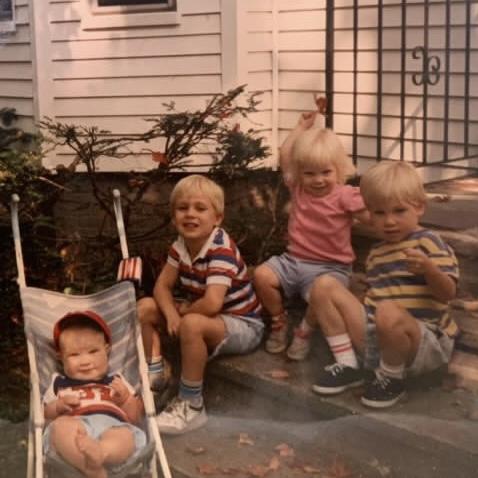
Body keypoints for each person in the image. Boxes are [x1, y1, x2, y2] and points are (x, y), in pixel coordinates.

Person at [311, 161, 459, 408]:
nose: (389, 221)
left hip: (422, 344)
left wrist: (429, 269)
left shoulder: (429, 242)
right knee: (323, 284)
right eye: (379, 213)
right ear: (369, 214)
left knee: (388, 311)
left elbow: (447, 294)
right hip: (378, 339)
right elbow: (377, 296)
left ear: (419, 207)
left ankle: (391, 379)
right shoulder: (377, 252)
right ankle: (348, 364)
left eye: (399, 211)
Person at [137, 174, 263, 434]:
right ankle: (157, 375)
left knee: (192, 324)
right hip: (205, 315)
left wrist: (183, 315)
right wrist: (172, 315)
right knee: (146, 307)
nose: (190, 214)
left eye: (200, 208)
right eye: (182, 208)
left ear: (217, 218)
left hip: (242, 324)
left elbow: (212, 304)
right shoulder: (180, 246)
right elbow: (162, 287)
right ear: (174, 217)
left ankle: (192, 405)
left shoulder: (221, 250)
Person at [253, 111, 368, 360]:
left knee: (321, 294)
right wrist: (301, 126)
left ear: (339, 170)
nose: (318, 180)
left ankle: (304, 331)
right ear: (299, 173)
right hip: (293, 261)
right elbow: (286, 153)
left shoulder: (345, 195)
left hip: (331, 268)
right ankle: (279, 322)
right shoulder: (298, 188)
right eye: (310, 173)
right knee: (261, 275)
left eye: (326, 172)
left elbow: (372, 215)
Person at [43, 310, 146, 478]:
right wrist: (58, 406)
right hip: (74, 423)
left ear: (107, 350)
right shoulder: (58, 383)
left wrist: (126, 399)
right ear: (61, 358)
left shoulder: (117, 380)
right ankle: (90, 468)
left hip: (113, 424)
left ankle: (100, 453)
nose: (85, 361)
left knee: (125, 435)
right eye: (74, 355)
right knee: (61, 427)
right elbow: (45, 414)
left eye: (93, 351)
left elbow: (135, 418)